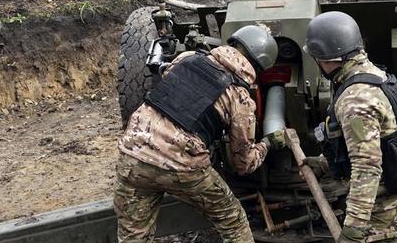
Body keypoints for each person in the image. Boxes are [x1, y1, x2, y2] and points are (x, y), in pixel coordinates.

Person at [114, 25, 285, 242]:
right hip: (182, 166)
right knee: (233, 220)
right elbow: (243, 163)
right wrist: (267, 144)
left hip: (132, 154)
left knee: (133, 235)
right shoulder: (240, 97)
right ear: (259, 66)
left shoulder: (187, 58)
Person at [305, 11, 397, 243]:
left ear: (326, 57)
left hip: (388, 211)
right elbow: (378, 142)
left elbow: (367, 168)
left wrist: (353, 230)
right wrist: (323, 164)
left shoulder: (355, 102)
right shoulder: (372, 73)